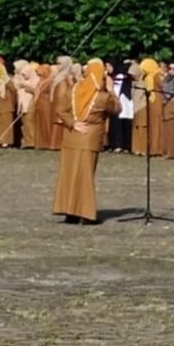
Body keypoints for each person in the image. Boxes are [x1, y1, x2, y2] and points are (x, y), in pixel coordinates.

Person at [53, 58, 119, 225]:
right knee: (85, 176)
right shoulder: (102, 97)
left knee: (68, 176)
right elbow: (117, 109)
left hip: (71, 136)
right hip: (90, 138)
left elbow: (60, 109)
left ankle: (70, 212)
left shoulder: (74, 89)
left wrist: (72, 123)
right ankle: (86, 214)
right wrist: (111, 91)